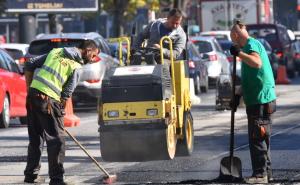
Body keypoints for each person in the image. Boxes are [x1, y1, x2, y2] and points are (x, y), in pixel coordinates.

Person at [23, 40, 100, 185]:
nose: (93, 59)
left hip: (33, 96)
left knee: (36, 137)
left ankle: (31, 175)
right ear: (88, 50)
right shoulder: (76, 66)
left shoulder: (55, 52)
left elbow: (29, 63)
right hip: (49, 100)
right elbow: (66, 94)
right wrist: (60, 113)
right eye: (94, 55)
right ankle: (57, 180)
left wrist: (29, 90)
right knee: (57, 140)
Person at [230, 21, 276, 184]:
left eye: (232, 36)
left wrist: (239, 54)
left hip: (261, 99)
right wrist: (237, 95)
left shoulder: (250, 44)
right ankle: (267, 173)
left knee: (257, 137)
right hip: (259, 99)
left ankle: (260, 175)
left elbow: (257, 63)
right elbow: (252, 78)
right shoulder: (250, 46)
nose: (232, 40)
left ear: (235, 34)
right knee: (262, 136)